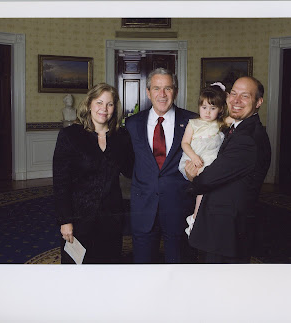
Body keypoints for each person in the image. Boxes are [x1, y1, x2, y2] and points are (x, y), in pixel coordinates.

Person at [185, 76, 271, 264]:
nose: (236, 100)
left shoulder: (247, 139)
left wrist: (193, 177)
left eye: (245, 96)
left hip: (226, 232)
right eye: (233, 94)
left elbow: (207, 180)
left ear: (258, 102)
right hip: (226, 228)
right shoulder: (240, 129)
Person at [53, 83, 134, 264]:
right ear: (89, 104)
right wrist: (65, 221)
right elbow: (61, 184)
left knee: (107, 269)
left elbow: (131, 170)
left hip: (111, 218)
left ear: (115, 108)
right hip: (78, 219)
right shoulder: (70, 135)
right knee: (77, 273)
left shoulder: (121, 137)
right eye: (99, 102)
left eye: (110, 104)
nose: (104, 109)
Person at [125, 68, 198, 263]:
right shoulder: (132, 124)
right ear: (148, 92)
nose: (162, 94)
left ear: (176, 91)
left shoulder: (193, 121)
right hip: (143, 206)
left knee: (179, 265)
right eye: (157, 88)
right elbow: (127, 163)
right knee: (143, 266)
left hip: (178, 206)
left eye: (168, 88)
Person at [178, 82, 232, 236]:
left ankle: (202, 220)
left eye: (213, 108)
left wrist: (226, 98)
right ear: (199, 107)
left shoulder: (220, 123)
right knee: (202, 189)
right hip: (196, 159)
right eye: (204, 107)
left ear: (220, 109)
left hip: (211, 160)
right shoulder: (193, 123)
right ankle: (195, 218)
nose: (207, 112)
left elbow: (234, 116)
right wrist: (194, 157)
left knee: (212, 192)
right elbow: (185, 143)